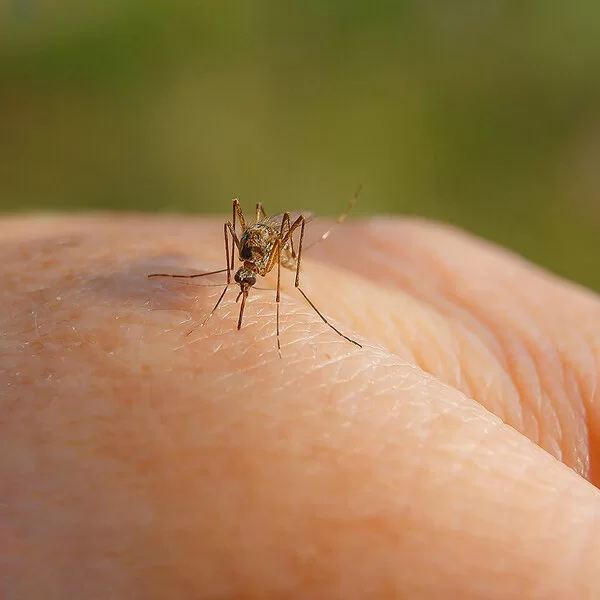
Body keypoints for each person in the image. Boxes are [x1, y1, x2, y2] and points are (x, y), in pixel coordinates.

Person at [2, 214, 599, 599]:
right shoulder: (241, 257)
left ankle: (292, 290)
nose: (241, 282)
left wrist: (280, 273)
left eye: (241, 273)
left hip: (277, 251)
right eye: (238, 273)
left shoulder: (269, 259)